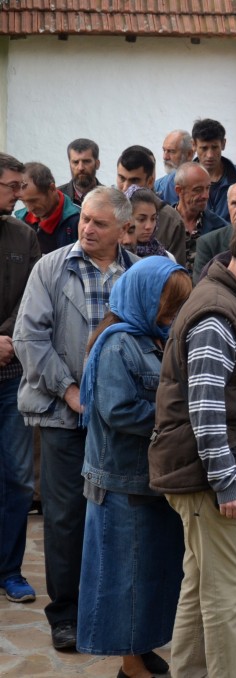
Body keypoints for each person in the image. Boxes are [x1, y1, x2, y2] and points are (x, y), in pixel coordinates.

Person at [148, 210, 236, 677]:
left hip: (210, 474)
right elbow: (205, 409)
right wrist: (227, 482)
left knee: (200, 586)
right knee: (228, 594)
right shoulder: (217, 312)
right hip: (206, 479)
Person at [14, 186, 137, 650]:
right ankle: (64, 615)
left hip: (118, 421)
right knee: (65, 519)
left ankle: (105, 608)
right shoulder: (51, 267)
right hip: (62, 417)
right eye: (85, 218)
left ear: (123, 229)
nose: (87, 228)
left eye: (99, 223)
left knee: (114, 516)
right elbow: (29, 338)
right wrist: (69, 391)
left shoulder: (135, 272)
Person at [76, 257, 192, 678]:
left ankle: (141, 648)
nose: (173, 313)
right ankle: (130, 663)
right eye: (169, 304)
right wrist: (174, 421)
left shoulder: (152, 337)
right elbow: (118, 410)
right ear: (146, 296)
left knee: (150, 576)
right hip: (122, 485)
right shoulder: (117, 344)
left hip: (147, 481)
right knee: (124, 580)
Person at [0, 152, 41, 606]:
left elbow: (32, 298)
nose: (19, 193)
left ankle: (9, 569)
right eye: (12, 186)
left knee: (16, 477)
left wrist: (5, 338)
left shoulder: (24, 235)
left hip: (12, 374)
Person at [158, 118, 236, 221]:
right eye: (204, 148)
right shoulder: (174, 181)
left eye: (214, 147)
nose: (210, 155)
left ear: (223, 144)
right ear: (193, 145)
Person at [114, 145, 187, 264]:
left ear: (150, 181)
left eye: (134, 180)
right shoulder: (106, 212)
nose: (126, 187)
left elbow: (177, 271)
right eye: (122, 178)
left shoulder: (170, 220)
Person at [171, 161, 230, 275]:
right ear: (179, 190)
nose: (205, 195)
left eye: (208, 188)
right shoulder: (161, 223)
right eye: (198, 190)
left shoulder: (220, 228)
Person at [15, 161, 81, 254]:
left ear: (52, 189)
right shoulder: (20, 221)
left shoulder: (80, 221)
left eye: (34, 201)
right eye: (24, 201)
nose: (29, 209)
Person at [126, 186, 174, 261]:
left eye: (153, 219)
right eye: (141, 219)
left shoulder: (165, 257)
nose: (149, 226)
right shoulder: (117, 256)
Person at [57, 138, 102, 206]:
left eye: (86, 161)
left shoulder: (110, 199)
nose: (80, 168)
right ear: (70, 164)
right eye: (75, 162)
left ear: (97, 164)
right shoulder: (57, 198)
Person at [155, 129, 192, 197]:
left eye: (172, 151)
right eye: (164, 150)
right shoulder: (157, 188)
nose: (165, 157)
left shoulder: (204, 184)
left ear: (189, 154)